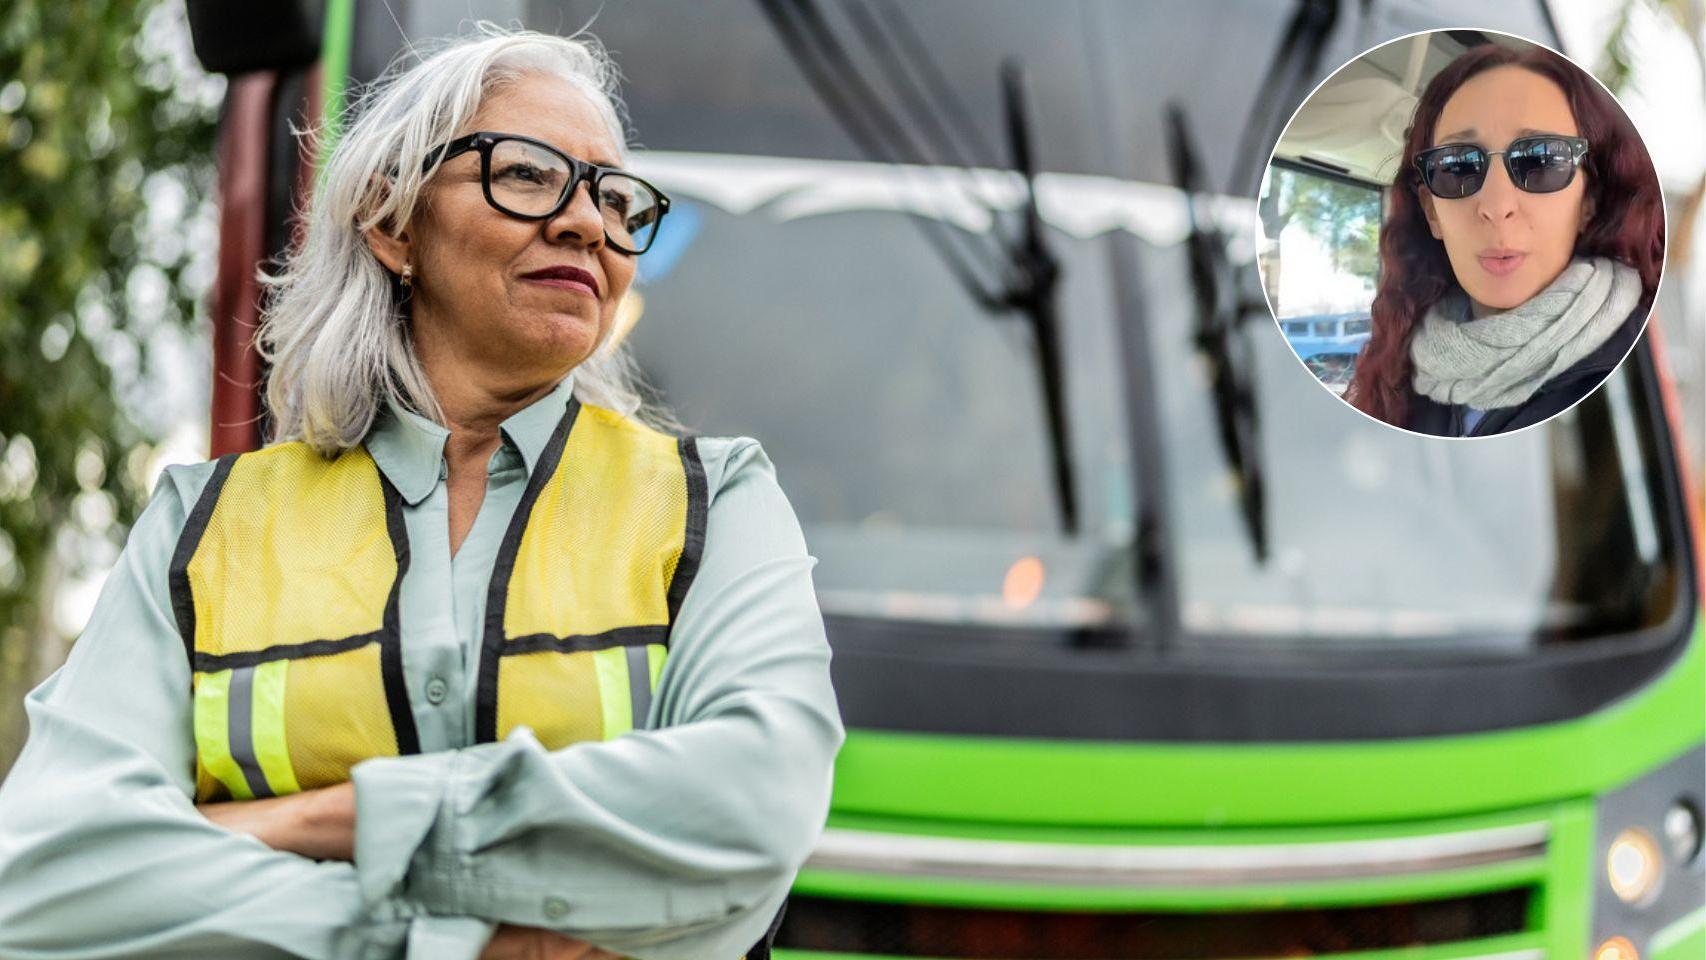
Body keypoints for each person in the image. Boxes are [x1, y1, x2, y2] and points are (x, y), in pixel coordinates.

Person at [0, 25, 844, 960]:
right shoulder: (203, 528)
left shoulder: (715, 503)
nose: (585, 222)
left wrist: (321, 822)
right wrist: (439, 939)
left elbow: (755, 807)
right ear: (392, 222)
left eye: (615, 197)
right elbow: (41, 878)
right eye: (525, 173)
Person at [1346, 42, 1664, 437]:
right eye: (1458, 166)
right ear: (1432, 212)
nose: (1496, 206)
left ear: (1589, 202)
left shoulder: (1638, 373)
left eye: (1542, 160)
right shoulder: (1395, 377)